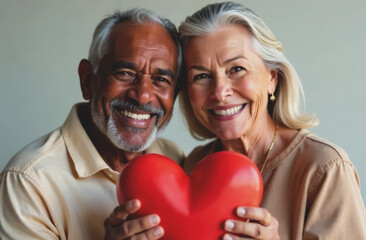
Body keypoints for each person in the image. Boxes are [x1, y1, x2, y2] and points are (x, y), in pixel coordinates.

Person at [178, 2, 366, 240]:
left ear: (272, 79)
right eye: (201, 76)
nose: (220, 91)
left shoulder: (325, 168)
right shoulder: (195, 165)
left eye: (236, 69)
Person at [0, 8, 184, 240]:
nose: (143, 95)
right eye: (125, 73)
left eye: (161, 80)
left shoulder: (177, 160)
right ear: (88, 80)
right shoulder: (29, 182)